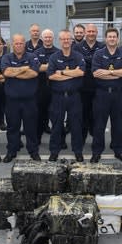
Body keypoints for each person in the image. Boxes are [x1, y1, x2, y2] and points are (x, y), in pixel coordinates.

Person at [91, 28, 122, 163]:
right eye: (109, 37)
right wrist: (117, 73)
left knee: (118, 124)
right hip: (102, 95)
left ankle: (118, 150)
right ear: (106, 38)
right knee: (99, 125)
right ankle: (97, 151)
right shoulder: (98, 54)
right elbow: (96, 74)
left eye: (114, 37)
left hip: (119, 95)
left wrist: (108, 73)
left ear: (117, 38)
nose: (112, 39)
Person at [1, 34, 41, 163]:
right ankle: (11, 151)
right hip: (12, 101)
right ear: (12, 44)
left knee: (31, 128)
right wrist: (24, 69)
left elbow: (34, 73)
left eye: (21, 43)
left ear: (25, 44)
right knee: (12, 127)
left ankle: (33, 151)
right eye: (16, 43)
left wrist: (15, 73)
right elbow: (6, 73)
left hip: (29, 100)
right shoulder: (6, 57)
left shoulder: (32, 56)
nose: (19, 45)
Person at [47, 30, 85, 162]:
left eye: (68, 39)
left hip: (74, 97)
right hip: (58, 97)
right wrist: (71, 73)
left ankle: (78, 151)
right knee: (57, 125)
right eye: (63, 39)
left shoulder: (78, 56)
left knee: (76, 125)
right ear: (59, 40)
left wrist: (62, 73)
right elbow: (51, 75)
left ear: (72, 40)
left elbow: (80, 73)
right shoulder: (53, 57)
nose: (66, 41)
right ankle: (54, 151)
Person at [74, 23, 104, 144]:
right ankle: (81, 140)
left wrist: (87, 62)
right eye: (89, 31)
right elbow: (78, 65)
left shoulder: (102, 46)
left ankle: (97, 142)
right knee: (82, 115)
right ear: (85, 33)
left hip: (99, 87)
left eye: (93, 31)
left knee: (98, 116)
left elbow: (103, 64)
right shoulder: (77, 47)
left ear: (97, 33)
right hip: (82, 87)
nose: (91, 33)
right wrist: (94, 63)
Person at [34, 29, 59, 142]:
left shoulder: (59, 52)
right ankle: (37, 138)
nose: (48, 39)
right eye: (46, 37)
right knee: (39, 114)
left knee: (56, 115)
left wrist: (45, 67)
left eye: (50, 37)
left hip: (55, 87)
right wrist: (52, 66)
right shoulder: (37, 53)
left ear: (52, 39)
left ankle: (59, 140)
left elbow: (61, 68)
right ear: (42, 39)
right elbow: (36, 68)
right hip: (40, 88)